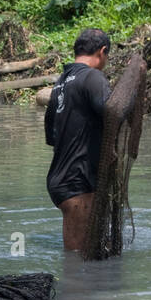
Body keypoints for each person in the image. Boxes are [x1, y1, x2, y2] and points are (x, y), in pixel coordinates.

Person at [45, 28, 112, 252]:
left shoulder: (60, 84)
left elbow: (52, 137)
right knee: (78, 259)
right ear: (102, 52)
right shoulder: (93, 76)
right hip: (77, 182)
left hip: (61, 178)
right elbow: (112, 112)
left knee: (83, 253)